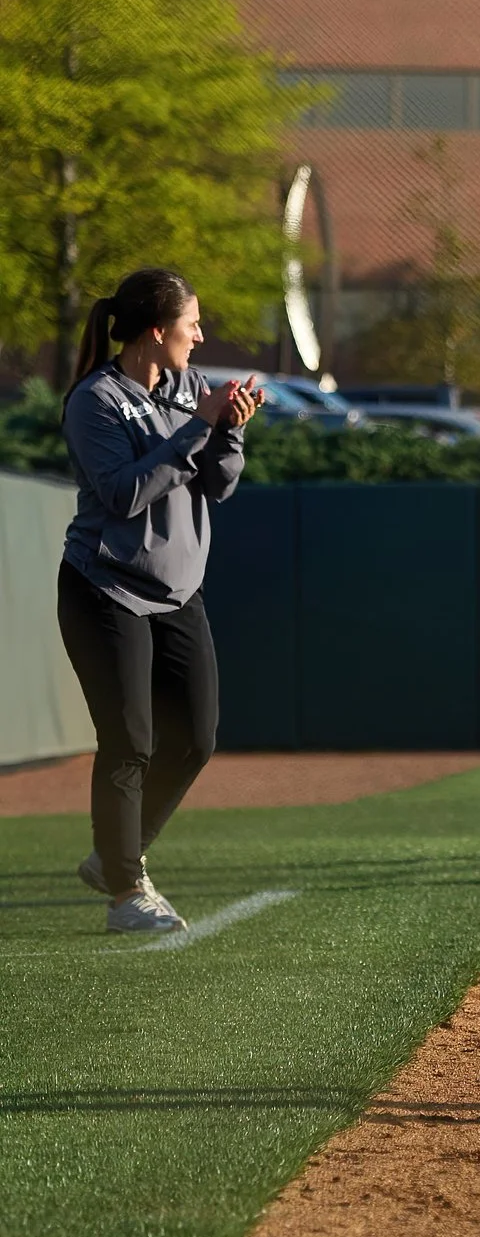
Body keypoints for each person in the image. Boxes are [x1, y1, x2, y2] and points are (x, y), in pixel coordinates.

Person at [56, 268, 262, 935]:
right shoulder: (97, 399)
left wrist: (227, 428)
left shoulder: (188, 388)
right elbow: (123, 494)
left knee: (196, 737)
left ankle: (115, 852)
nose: (200, 335)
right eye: (191, 323)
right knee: (130, 740)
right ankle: (126, 892)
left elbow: (219, 485)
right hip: (103, 587)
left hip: (177, 590)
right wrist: (196, 427)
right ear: (156, 329)